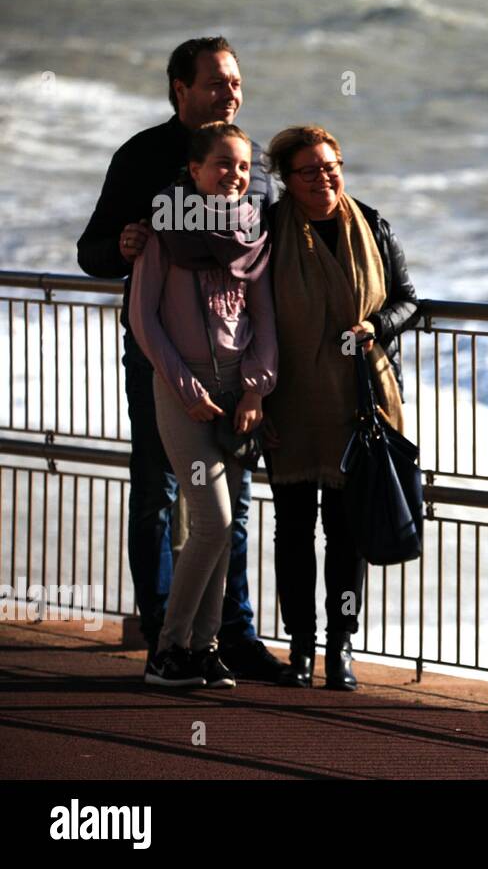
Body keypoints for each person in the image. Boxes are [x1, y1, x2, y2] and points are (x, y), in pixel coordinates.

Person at [78, 37, 285, 682]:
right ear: (180, 90)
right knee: (159, 494)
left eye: (236, 83)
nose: (231, 93)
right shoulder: (143, 159)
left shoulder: (254, 173)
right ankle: (166, 635)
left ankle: (228, 636)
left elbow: (270, 275)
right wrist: (125, 242)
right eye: (217, 83)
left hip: (233, 367)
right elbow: (93, 253)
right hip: (160, 362)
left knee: (235, 506)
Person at [261, 125, 417, 690]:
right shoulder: (268, 229)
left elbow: (408, 299)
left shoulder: (371, 224)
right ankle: (300, 647)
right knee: (293, 528)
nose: (326, 178)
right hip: (290, 398)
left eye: (333, 166)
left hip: (361, 397)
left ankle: (340, 647)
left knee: (347, 530)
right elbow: (249, 312)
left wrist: (375, 326)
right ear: (287, 179)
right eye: (312, 170)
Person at [130, 122, 277, 687]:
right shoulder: (162, 233)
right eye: (222, 164)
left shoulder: (251, 232)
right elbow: (146, 320)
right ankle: (168, 651)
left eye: (243, 166)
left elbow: (264, 317)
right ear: (194, 171)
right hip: (184, 395)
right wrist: (186, 390)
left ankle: (202, 648)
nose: (234, 175)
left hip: (238, 397)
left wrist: (256, 388)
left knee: (224, 524)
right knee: (212, 523)